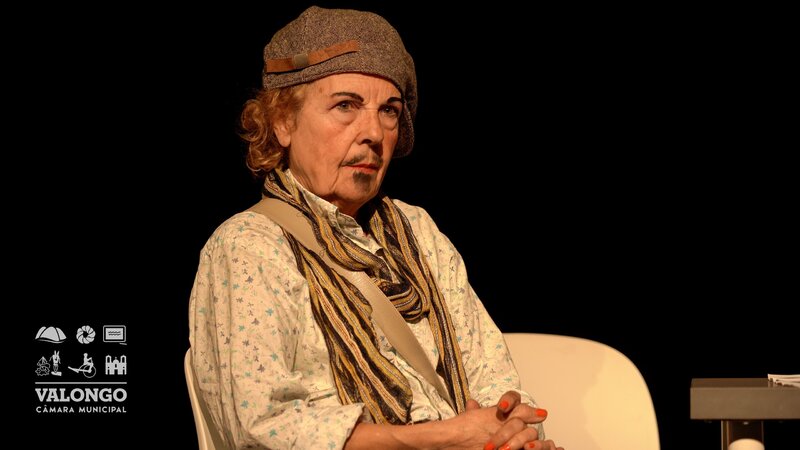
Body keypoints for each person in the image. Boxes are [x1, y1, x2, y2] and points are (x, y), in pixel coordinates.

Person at [189, 6, 563, 450]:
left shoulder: (416, 230)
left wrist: (510, 428)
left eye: (389, 110)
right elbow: (265, 430)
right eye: (345, 105)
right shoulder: (249, 246)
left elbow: (494, 378)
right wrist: (444, 438)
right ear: (283, 121)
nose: (373, 132)